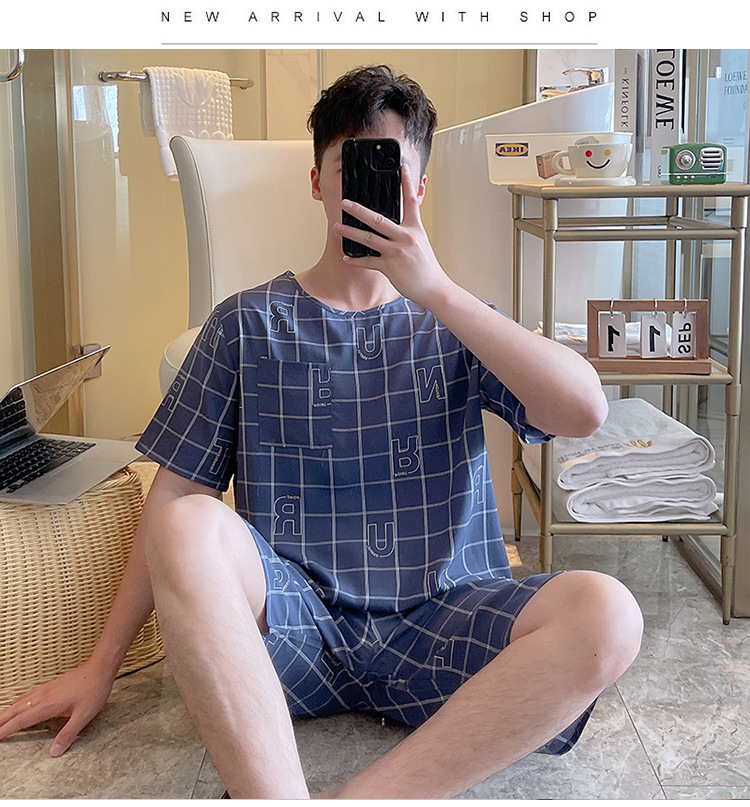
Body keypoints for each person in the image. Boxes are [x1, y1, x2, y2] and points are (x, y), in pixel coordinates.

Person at [0, 65, 643, 799]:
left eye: (389, 169)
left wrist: (435, 289)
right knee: (184, 522)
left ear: (419, 186)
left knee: (609, 614)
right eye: (350, 167)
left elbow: (584, 411)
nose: (366, 189)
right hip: (294, 631)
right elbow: (173, 496)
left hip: (445, 624)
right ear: (317, 182)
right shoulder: (245, 323)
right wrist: (101, 665)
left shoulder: (459, 321)